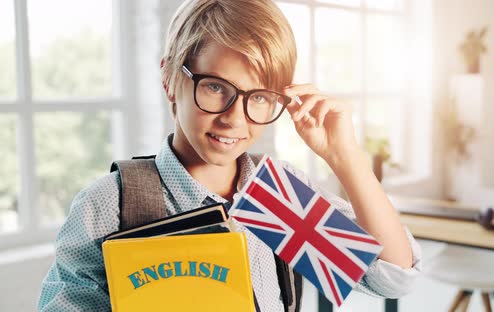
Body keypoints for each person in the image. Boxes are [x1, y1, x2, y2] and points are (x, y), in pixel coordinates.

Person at [37, 0, 422, 310]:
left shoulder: (276, 197)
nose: (234, 119)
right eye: (216, 88)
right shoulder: (108, 205)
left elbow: (391, 277)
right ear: (171, 80)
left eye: (259, 97)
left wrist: (345, 157)